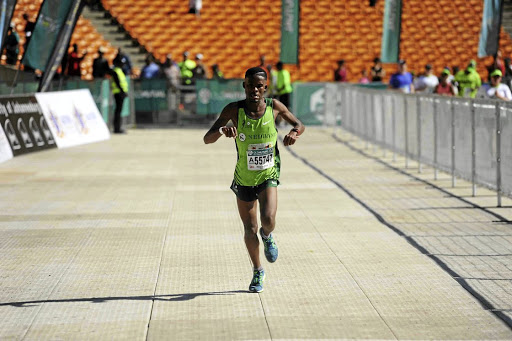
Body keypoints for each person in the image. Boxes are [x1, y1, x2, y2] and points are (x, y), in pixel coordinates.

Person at [203, 67, 305, 293]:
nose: (255, 90)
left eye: (259, 86)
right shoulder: (233, 110)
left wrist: (294, 133)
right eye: (251, 85)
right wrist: (223, 129)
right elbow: (207, 139)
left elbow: (299, 124)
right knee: (250, 228)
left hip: (268, 174)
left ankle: (268, 236)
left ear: (265, 87)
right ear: (244, 86)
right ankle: (258, 270)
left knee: (267, 219)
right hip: (243, 177)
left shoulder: (274, 107)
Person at [107, 58, 129, 133]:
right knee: (118, 111)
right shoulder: (116, 71)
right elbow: (118, 82)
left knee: (119, 111)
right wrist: (123, 91)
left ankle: (118, 127)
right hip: (119, 93)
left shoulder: (119, 71)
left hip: (120, 92)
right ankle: (117, 128)